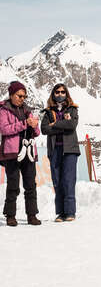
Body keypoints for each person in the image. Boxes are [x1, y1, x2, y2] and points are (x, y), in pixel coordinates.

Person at [0, 81, 41, 226]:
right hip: (12, 153)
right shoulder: (3, 110)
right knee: (13, 185)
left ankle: (32, 215)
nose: (22, 98)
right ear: (11, 95)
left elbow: (37, 133)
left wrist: (35, 125)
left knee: (30, 184)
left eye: (24, 96)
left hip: (28, 151)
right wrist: (25, 124)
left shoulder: (28, 110)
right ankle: (10, 215)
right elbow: (4, 129)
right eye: (19, 95)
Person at [41, 84, 80, 222]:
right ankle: (60, 213)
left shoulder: (73, 109)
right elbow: (44, 129)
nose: (60, 94)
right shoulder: (48, 111)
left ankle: (70, 212)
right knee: (57, 181)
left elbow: (72, 126)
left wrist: (55, 125)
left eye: (63, 91)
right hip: (55, 150)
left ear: (66, 93)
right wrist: (63, 124)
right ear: (53, 94)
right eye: (57, 92)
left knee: (68, 181)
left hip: (70, 150)